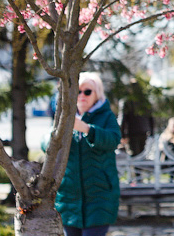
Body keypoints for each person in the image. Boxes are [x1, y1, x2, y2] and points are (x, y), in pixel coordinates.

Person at [56, 72, 121, 236]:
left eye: (87, 91)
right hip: (68, 198)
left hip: (99, 197)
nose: (82, 95)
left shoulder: (106, 116)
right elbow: (47, 144)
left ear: (97, 94)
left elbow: (113, 139)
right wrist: (55, 133)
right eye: (78, 91)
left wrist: (87, 129)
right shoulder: (64, 116)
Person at [118, 77, 155, 156]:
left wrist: (122, 135)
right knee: (141, 155)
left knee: (135, 156)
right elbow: (151, 118)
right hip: (143, 131)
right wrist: (151, 132)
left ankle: (137, 168)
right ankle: (139, 168)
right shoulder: (144, 100)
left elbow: (122, 120)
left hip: (133, 132)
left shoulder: (127, 101)